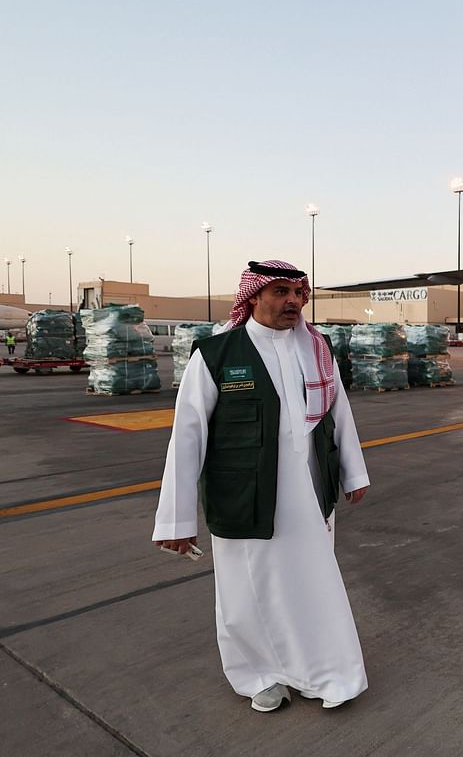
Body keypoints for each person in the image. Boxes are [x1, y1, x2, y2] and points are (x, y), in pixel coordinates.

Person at [152, 260, 371, 714]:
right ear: (253, 297)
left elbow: (339, 414)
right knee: (245, 592)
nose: (293, 301)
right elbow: (187, 438)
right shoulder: (216, 355)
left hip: (311, 494)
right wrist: (175, 518)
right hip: (243, 497)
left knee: (315, 585)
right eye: (280, 291)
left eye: (298, 292)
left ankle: (327, 673)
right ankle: (257, 676)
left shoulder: (318, 349)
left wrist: (354, 472)